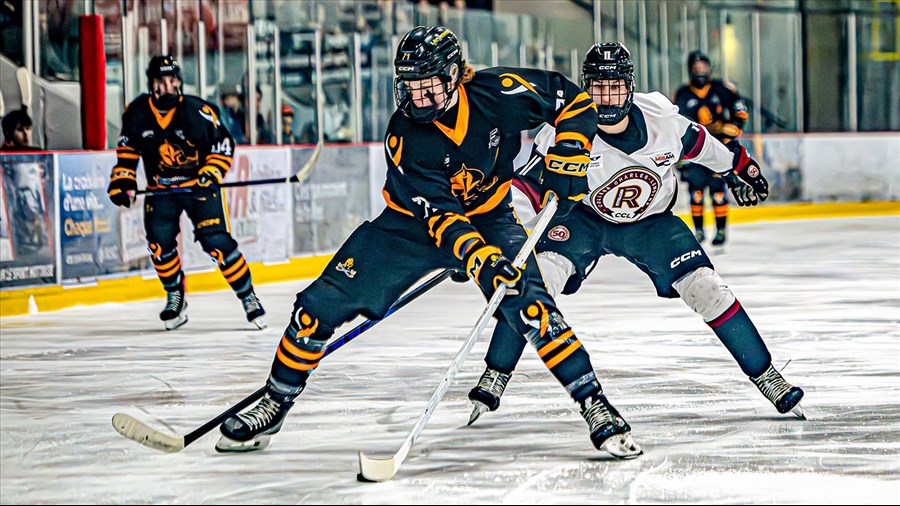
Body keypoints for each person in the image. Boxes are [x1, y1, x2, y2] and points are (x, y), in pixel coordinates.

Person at [215, 26, 642, 460]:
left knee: (531, 305)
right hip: (409, 229)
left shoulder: (497, 92)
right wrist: (482, 260)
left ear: (454, 75)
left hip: (492, 216)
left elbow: (573, 100)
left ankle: (595, 404)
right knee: (316, 309)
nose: (418, 98)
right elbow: (441, 219)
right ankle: (275, 399)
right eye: (411, 86)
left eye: (428, 86)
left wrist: (570, 151)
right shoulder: (406, 135)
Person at [466, 43, 804, 428]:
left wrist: (736, 167)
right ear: (584, 87)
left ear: (630, 86)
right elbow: (526, 186)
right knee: (534, 282)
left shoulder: (663, 120)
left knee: (707, 288)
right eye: (597, 87)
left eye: (615, 86)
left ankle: (767, 376)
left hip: (651, 224)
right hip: (584, 221)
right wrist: (486, 230)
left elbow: (702, 145)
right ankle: (496, 372)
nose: (606, 97)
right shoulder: (564, 130)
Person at [106, 56, 266, 331]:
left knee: (216, 242)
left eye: (171, 80)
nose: (166, 86)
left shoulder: (197, 111)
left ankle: (247, 295)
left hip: (199, 188)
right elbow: (128, 150)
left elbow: (223, 144)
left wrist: (211, 173)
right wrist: (123, 180)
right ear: (151, 84)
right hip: (161, 191)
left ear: (178, 82)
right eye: (160, 81)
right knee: (159, 244)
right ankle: (175, 296)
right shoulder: (137, 112)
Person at [673, 50, 749, 246]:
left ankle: (721, 231)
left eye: (703, 67)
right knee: (696, 193)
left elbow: (740, 111)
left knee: (718, 192)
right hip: (694, 152)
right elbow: (675, 124)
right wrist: (679, 154)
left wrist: (731, 130)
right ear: (690, 70)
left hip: (718, 149)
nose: (700, 71)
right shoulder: (682, 94)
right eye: (696, 68)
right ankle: (699, 231)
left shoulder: (722, 89)